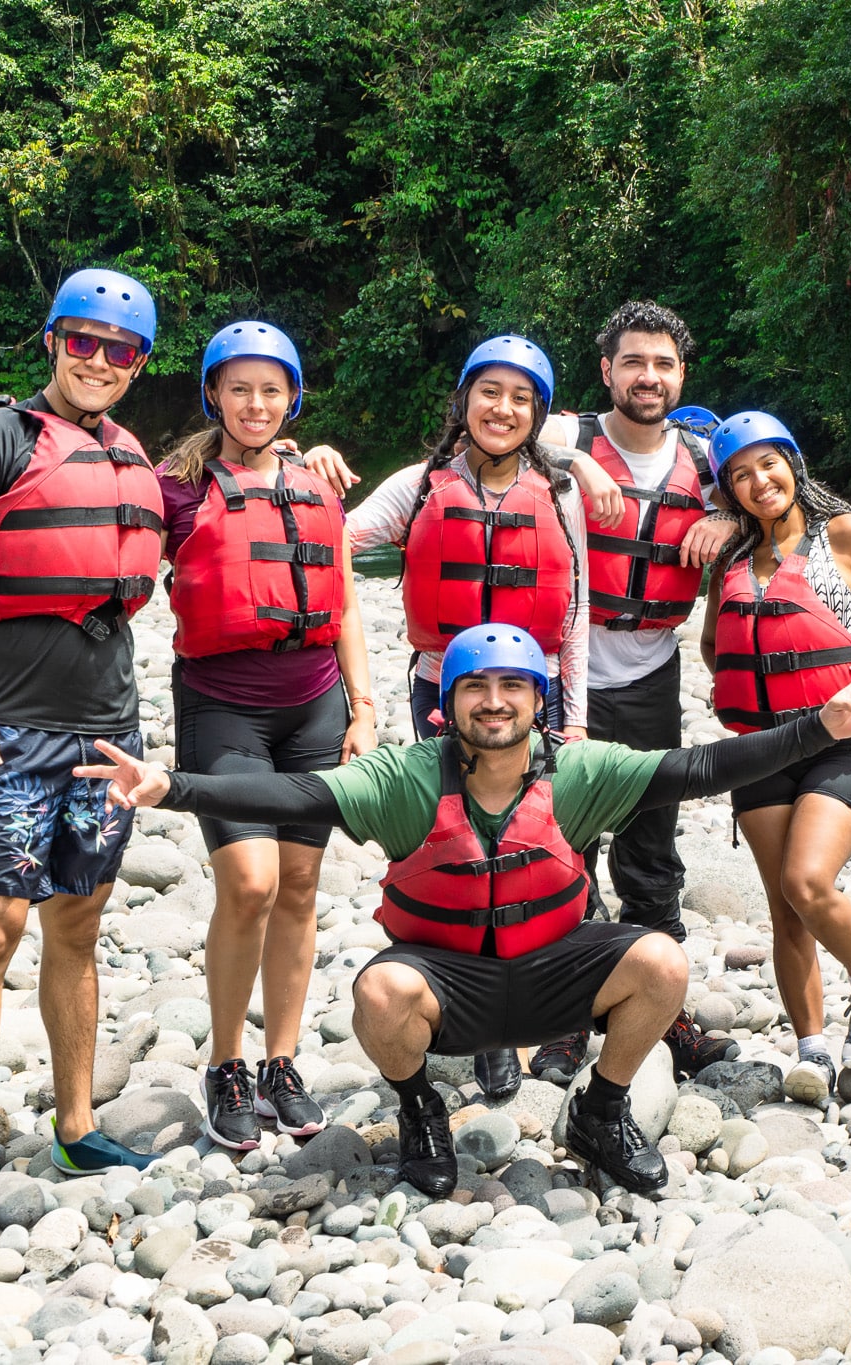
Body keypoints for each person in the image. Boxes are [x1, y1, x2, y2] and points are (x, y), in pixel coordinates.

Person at [74, 629, 851, 1195]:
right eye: (477, 686)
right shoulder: (406, 778)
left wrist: (816, 729)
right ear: (448, 703)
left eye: (514, 686)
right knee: (377, 994)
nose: (496, 701)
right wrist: (171, 788)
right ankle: (421, 1111)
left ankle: (600, 1114)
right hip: (450, 989)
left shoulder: (578, 772)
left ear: (538, 700)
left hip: (553, 984)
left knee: (661, 961)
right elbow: (296, 790)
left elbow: (700, 766)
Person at [0, 268, 169, 1207]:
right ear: (53, 339)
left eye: (119, 349)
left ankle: (78, 1126)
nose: (97, 361)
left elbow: (235, 476)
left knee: (78, 924)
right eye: (82, 340)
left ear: (138, 365)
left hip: (105, 730)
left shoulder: (137, 456)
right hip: (8, 727)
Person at [337, 335, 589, 1103]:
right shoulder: (420, 486)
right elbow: (330, 537)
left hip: (534, 698)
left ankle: (563, 1018)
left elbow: (576, 611)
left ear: (538, 415)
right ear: (465, 400)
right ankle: (488, 1039)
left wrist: (575, 718)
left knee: (553, 852)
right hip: (442, 695)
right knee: (469, 860)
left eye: (521, 398)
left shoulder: (563, 494)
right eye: (490, 393)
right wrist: (303, 461)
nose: (503, 409)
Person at [158, 321, 378, 1150]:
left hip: (314, 704)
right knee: (247, 883)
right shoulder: (176, 486)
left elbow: (346, 599)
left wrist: (363, 706)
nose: (255, 403)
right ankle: (227, 1062)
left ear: (292, 398)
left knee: (297, 886)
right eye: (239, 387)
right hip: (222, 706)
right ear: (213, 393)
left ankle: (283, 1062)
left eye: (271, 389)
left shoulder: (317, 481)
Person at [699, 411, 851, 1102]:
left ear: (793, 463)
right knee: (783, 909)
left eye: (768, 464)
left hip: (843, 738)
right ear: (730, 489)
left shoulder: (848, 535)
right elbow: (714, 644)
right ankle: (813, 1051)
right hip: (762, 745)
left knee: (807, 881)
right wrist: (731, 690)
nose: (759, 481)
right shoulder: (731, 560)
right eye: (740, 475)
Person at [525, 301, 738, 1086]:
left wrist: (724, 511)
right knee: (560, 850)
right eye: (633, 362)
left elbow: (779, 488)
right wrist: (580, 463)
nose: (649, 377)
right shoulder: (563, 438)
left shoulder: (708, 459)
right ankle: (561, 1018)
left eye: (664, 365)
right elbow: (498, 428)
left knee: (652, 854)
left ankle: (666, 1012)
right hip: (560, 676)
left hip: (652, 674)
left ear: (682, 377)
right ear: (607, 371)